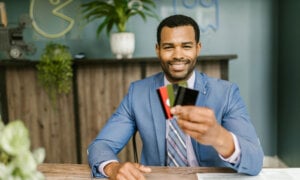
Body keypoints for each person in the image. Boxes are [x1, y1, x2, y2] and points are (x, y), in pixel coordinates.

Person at [88, 14, 264, 179]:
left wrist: (220, 137)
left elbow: (255, 161)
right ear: (158, 50)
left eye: (186, 46)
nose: (178, 55)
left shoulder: (226, 93)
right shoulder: (138, 93)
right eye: (168, 47)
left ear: (198, 48)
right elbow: (100, 145)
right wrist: (113, 168)